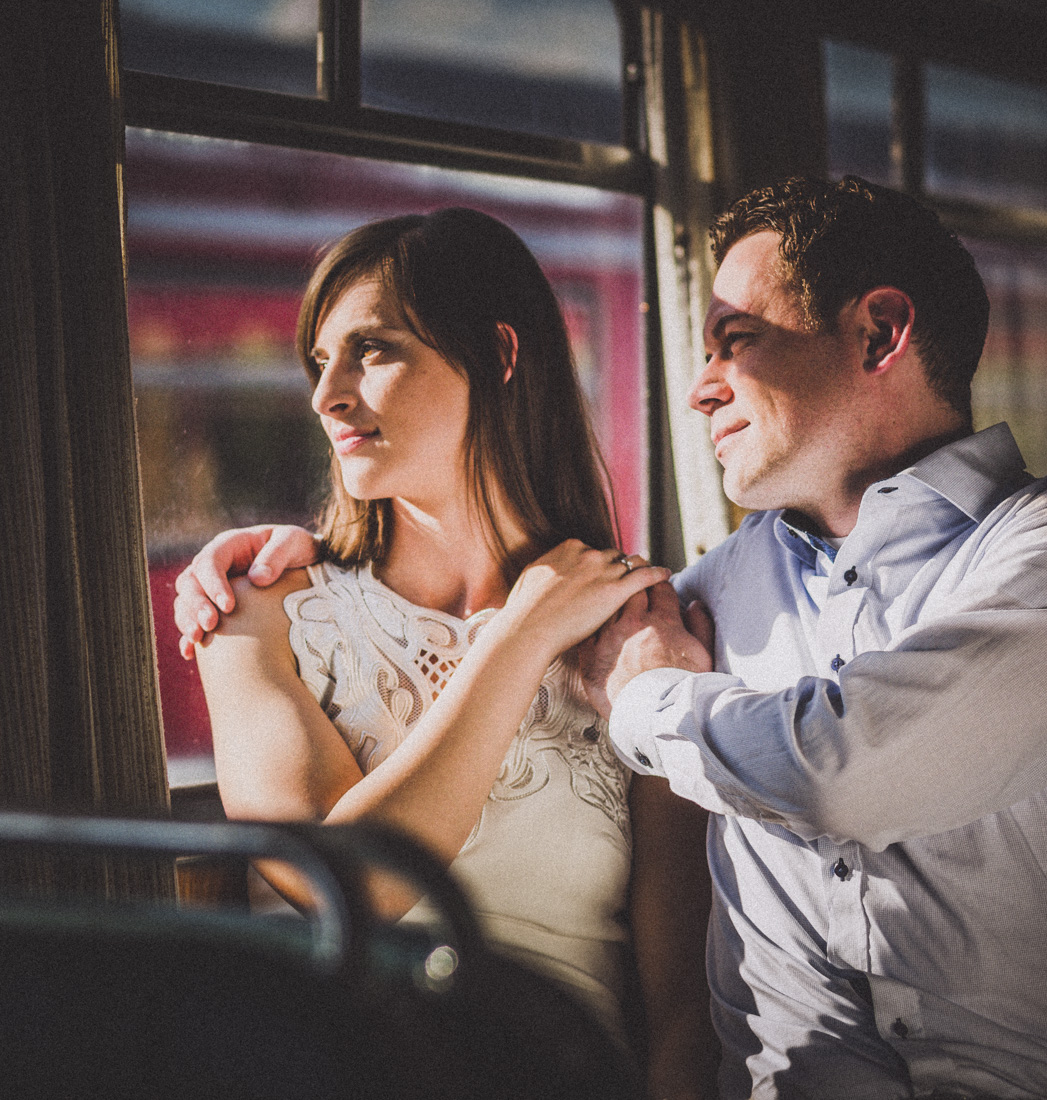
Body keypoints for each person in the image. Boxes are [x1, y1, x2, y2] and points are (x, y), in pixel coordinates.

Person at [178, 178, 1047, 1099]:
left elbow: (838, 772)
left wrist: (648, 690)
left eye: (734, 338)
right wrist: (286, 559)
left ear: (879, 332)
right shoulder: (681, 602)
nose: (699, 387)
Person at [185, 207, 717, 1099]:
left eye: (373, 351)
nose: (327, 396)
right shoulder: (259, 610)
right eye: (320, 363)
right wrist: (520, 639)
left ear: (500, 357)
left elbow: (681, 1004)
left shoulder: (638, 630)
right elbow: (346, 887)